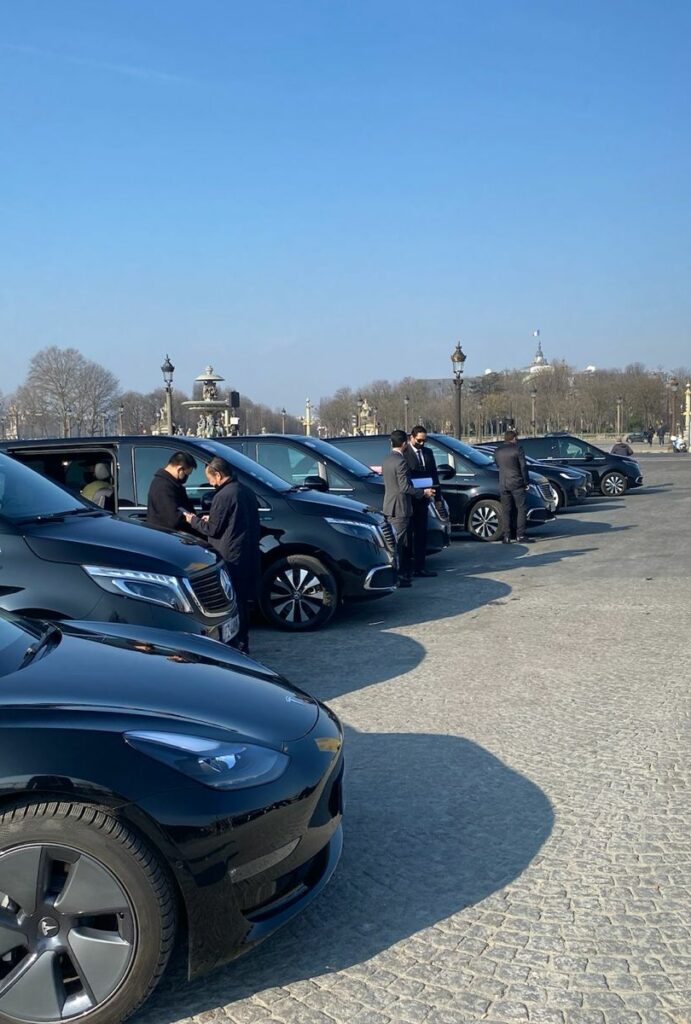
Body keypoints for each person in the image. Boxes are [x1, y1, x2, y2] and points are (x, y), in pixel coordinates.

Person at [183, 456, 260, 655]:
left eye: (210, 478)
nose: (209, 482)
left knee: (231, 601)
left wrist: (193, 520)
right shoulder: (245, 491)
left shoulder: (223, 495)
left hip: (229, 553)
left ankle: (237, 644)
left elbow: (213, 530)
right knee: (243, 600)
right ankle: (244, 641)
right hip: (247, 551)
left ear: (218, 475)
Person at [382, 429, 434, 587]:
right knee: (400, 544)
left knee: (395, 542)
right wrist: (423, 492)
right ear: (405, 443)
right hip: (401, 507)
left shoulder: (387, 459)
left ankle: (400, 574)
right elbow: (404, 487)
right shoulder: (401, 461)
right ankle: (398, 576)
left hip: (389, 505)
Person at [405, 425, 439, 577]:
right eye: (419, 441)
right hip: (410, 498)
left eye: (424, 441)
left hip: (425, 497)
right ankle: (407, 568)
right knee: (408, 535)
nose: (421, 444)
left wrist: (438, 496)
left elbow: (434, 474)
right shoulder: (404, 454)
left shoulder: (428, 452)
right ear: (411, 438)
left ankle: (420, 566)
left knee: (421, 534)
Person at [493, 429, 531, 544]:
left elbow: (497, 465)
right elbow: (523, 466)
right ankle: (520, 535)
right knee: (521, 508)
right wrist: (526, 482)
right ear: (514, 438)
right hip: (517, 482)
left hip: (503, 483)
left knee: (506, 510)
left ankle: (507, 536)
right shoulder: (518, 449)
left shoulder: (498, 451)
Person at [146, 452, 197, 531]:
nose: (187, 478)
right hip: (167, 537)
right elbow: (173, 519)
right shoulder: (163, 487)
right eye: (187, 474)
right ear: (180, 469)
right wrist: (192, 519)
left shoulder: (173, 485)